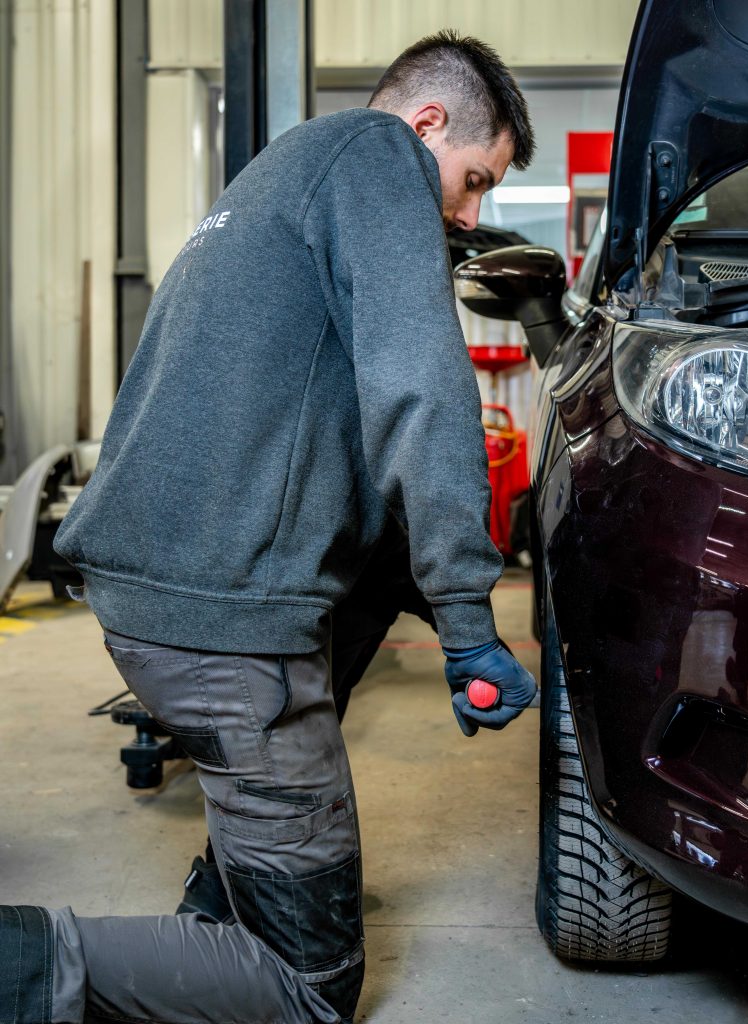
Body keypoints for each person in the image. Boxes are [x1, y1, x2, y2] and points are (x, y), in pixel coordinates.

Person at [3, 30, 537, 1024]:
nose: (468, 216)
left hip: (165, 587)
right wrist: (470, 618)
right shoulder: (379, 156)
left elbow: (348, 444)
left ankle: (213, 924)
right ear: (427, 124)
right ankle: (20, 967)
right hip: (220, 627)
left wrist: (435, 589)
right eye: (473, 181)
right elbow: (422, 390)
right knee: (309, 990)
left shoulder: (290, 168)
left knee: (347, 627)